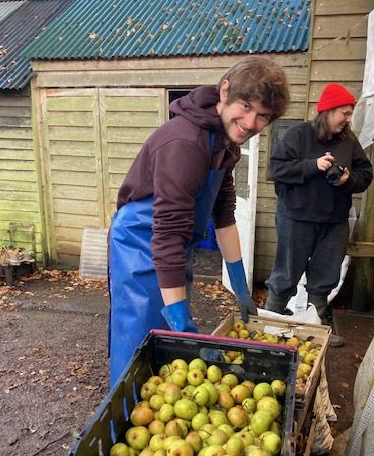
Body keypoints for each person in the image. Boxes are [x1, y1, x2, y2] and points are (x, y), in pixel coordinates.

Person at [108, 56, 290, 387]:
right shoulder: (185, 143)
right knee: (141, 340)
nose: (250, 122)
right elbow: (165, 235)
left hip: (174, 245)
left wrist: (240, 286)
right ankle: (120, 415)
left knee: (168, 343)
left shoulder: (225, 141)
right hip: (141, 243)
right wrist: (183, 325)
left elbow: (223, 212)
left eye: (262, 116)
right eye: (246, 106)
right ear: (225, 91)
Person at [264, 83, 373, 346]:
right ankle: (268, 324)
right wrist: (313, 165)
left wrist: (348, 179)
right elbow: (277, 170)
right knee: (286, 275)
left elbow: (366, 175)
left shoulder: (348, 140)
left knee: (325, 278)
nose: (348, 119)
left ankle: (317, 331)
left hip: (334, 221)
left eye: (349, 114)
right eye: (344, 113)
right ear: (328, 111)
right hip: (296, 218)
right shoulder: (298, 135)